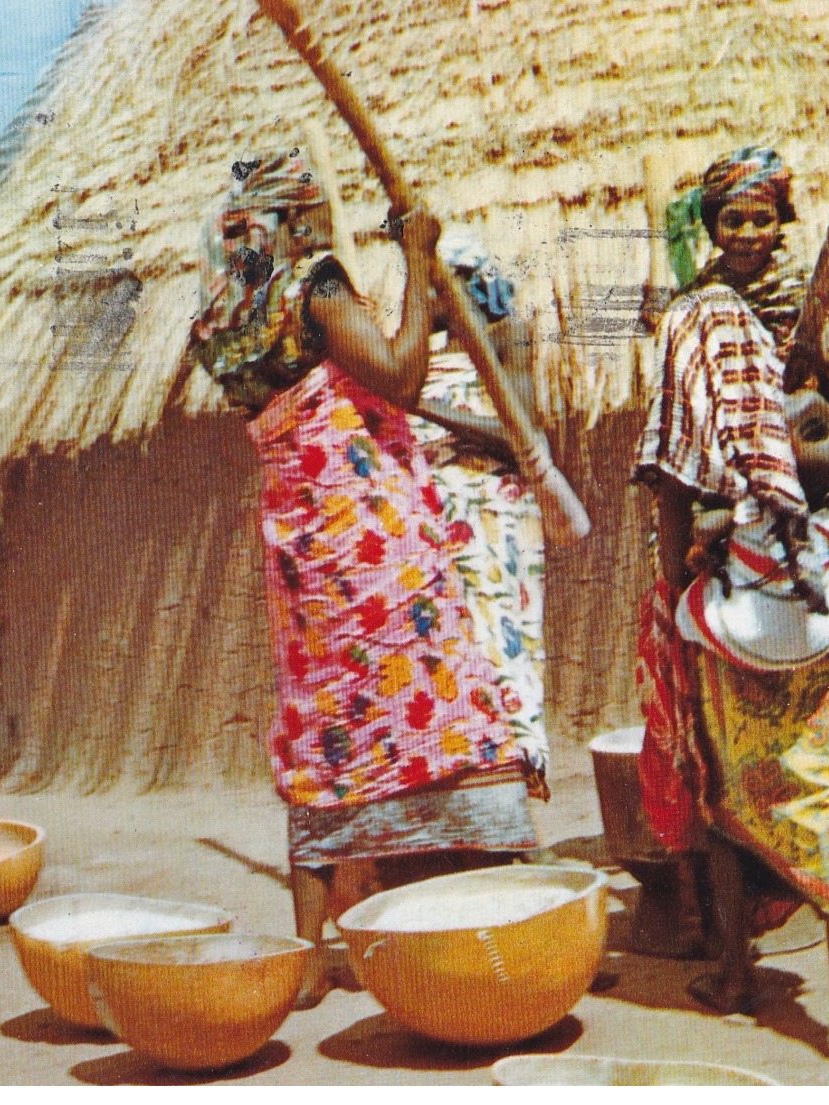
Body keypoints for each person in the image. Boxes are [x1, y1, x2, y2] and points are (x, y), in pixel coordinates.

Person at [187, 151, 538, 1008]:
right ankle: (515, 915)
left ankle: (310, 955)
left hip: (301, 542)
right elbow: (402, 374)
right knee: (448, 692)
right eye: (316, 217)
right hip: (367, 533)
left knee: (324, 721)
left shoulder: (222, 311)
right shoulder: (314, 284)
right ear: (300, 218)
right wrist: (417, 259)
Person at [633, 146, 829, 1059]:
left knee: (820, 793)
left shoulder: (810, 320)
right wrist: (678, 581)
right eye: (731, 220)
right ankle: (733, 969)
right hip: (728, 591)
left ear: (780, 223)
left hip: (803, 578)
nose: (748, 234)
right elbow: (674, 470)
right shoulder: (693, 324)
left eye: (761, 218)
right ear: (709, 230)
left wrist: (809, 418)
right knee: (726, 792)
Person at [407, 232, 551, 803]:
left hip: (495, 523)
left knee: (503, 649)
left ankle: (511, 790)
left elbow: (522, 436)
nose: (432, 296)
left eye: (444, 282)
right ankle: (463, 803)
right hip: (429, 526)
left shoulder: (504, 337)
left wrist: (419, 403)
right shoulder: (411, 356)